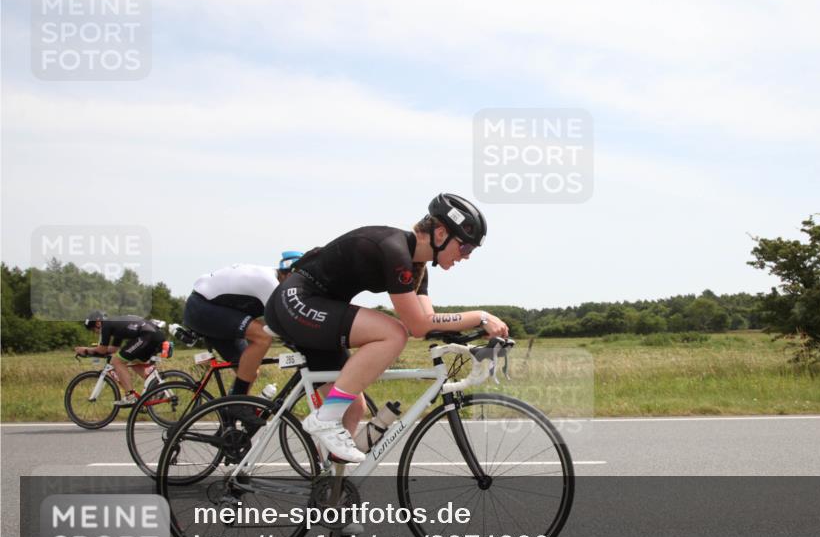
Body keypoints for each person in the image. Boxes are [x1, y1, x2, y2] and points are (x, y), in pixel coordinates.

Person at [265, 193, 509, 462]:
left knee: (352, 407)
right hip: (296, 301)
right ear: (440, 233)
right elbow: (415, 326)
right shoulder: (395, 251)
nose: (466, 257)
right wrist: (482, 316)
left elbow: (428, 320)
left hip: (318, 311)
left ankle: (329, 493)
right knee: (393, 333)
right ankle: (324, 419)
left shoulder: (417, 268)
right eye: (465, 248)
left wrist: (472, 336)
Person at [182, 252, 302, 408]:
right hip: (201, 307)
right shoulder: (270, 283)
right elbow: (284, 323)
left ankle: (230, 417)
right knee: (262, 337)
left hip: (220, 310)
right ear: (288, 275)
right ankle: (237, 407)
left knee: (249, 370)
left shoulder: (277, 279)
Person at [76, 312, 168, 406]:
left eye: (92, 329)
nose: (94, 332)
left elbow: (102, 350)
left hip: (147, 336)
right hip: (152, 335)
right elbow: (113, 349)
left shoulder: (106, 326)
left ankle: (130, 396)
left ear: (98, 323)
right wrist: (93, 352)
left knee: (117, 361)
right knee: (134, 363)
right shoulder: (115, 325)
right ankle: (157, 388)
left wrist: (86, 350)